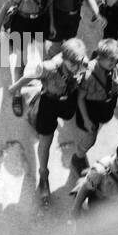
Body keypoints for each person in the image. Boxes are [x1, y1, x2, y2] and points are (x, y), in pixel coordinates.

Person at [11, 38, 88, 206]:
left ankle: (34, 103)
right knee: (45, 140)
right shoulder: (49, 67)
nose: (77, 66)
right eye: (73, 63)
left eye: (79, 62)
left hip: (68, 100)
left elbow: (88, 69)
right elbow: (28, 76)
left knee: (68, 116)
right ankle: (44, 176)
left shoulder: (82, 62)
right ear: (64, 58)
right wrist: (15, 89)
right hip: (50, 102)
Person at [70, 39, 118, 175]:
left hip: (104, 106)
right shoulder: (88, 75)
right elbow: (80, 98)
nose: (114, 64)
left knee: (98, 126)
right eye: (110, 61)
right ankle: (78, 157)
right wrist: (87, 120)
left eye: (116, 60)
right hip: (90, 108)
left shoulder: (115, 66)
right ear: (100, 58)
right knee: (91, 138)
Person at [71, 140, 118, 212]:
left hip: (117, 203)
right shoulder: (100, 171)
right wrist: (75, 210)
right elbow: (84, 189)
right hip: (100, 205)